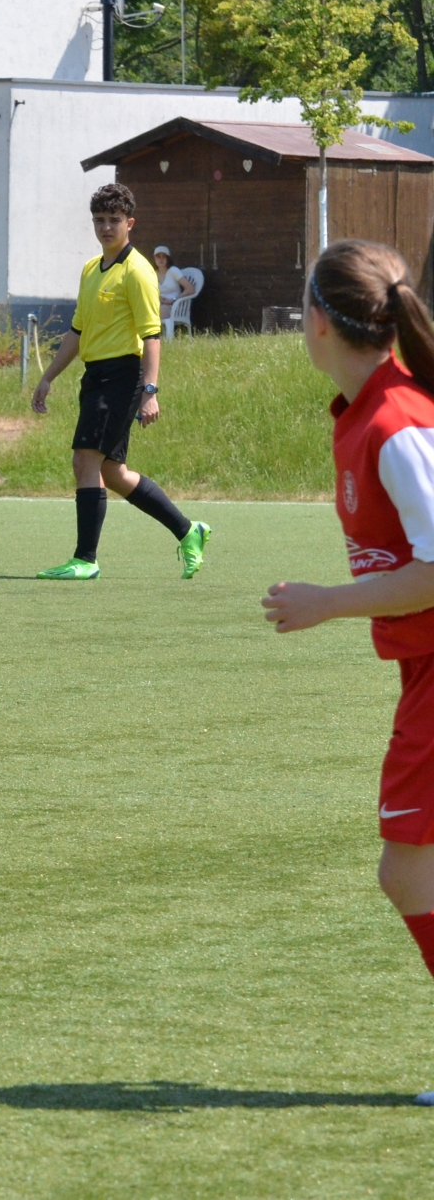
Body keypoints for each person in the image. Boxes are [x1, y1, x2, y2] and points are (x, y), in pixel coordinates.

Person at [261, 240, 434, 1105]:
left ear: (320, 320)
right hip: (423, 669)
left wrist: (327, 602)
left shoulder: (398, 423)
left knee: (406, 871)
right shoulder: (372, 409)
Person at [31, 183, 211, 580]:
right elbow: (77, 331)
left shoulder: (138, 271)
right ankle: (189, 531)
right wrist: (48, 377)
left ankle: (85, 559)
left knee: (85, 459)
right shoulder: (90, 269)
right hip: (95, 376)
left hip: (123, 376)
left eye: (114, 220)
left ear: (130, 223)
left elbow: (152, 334)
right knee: (113, 472)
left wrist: (150, 391)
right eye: (99, 220)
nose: (106, 227)